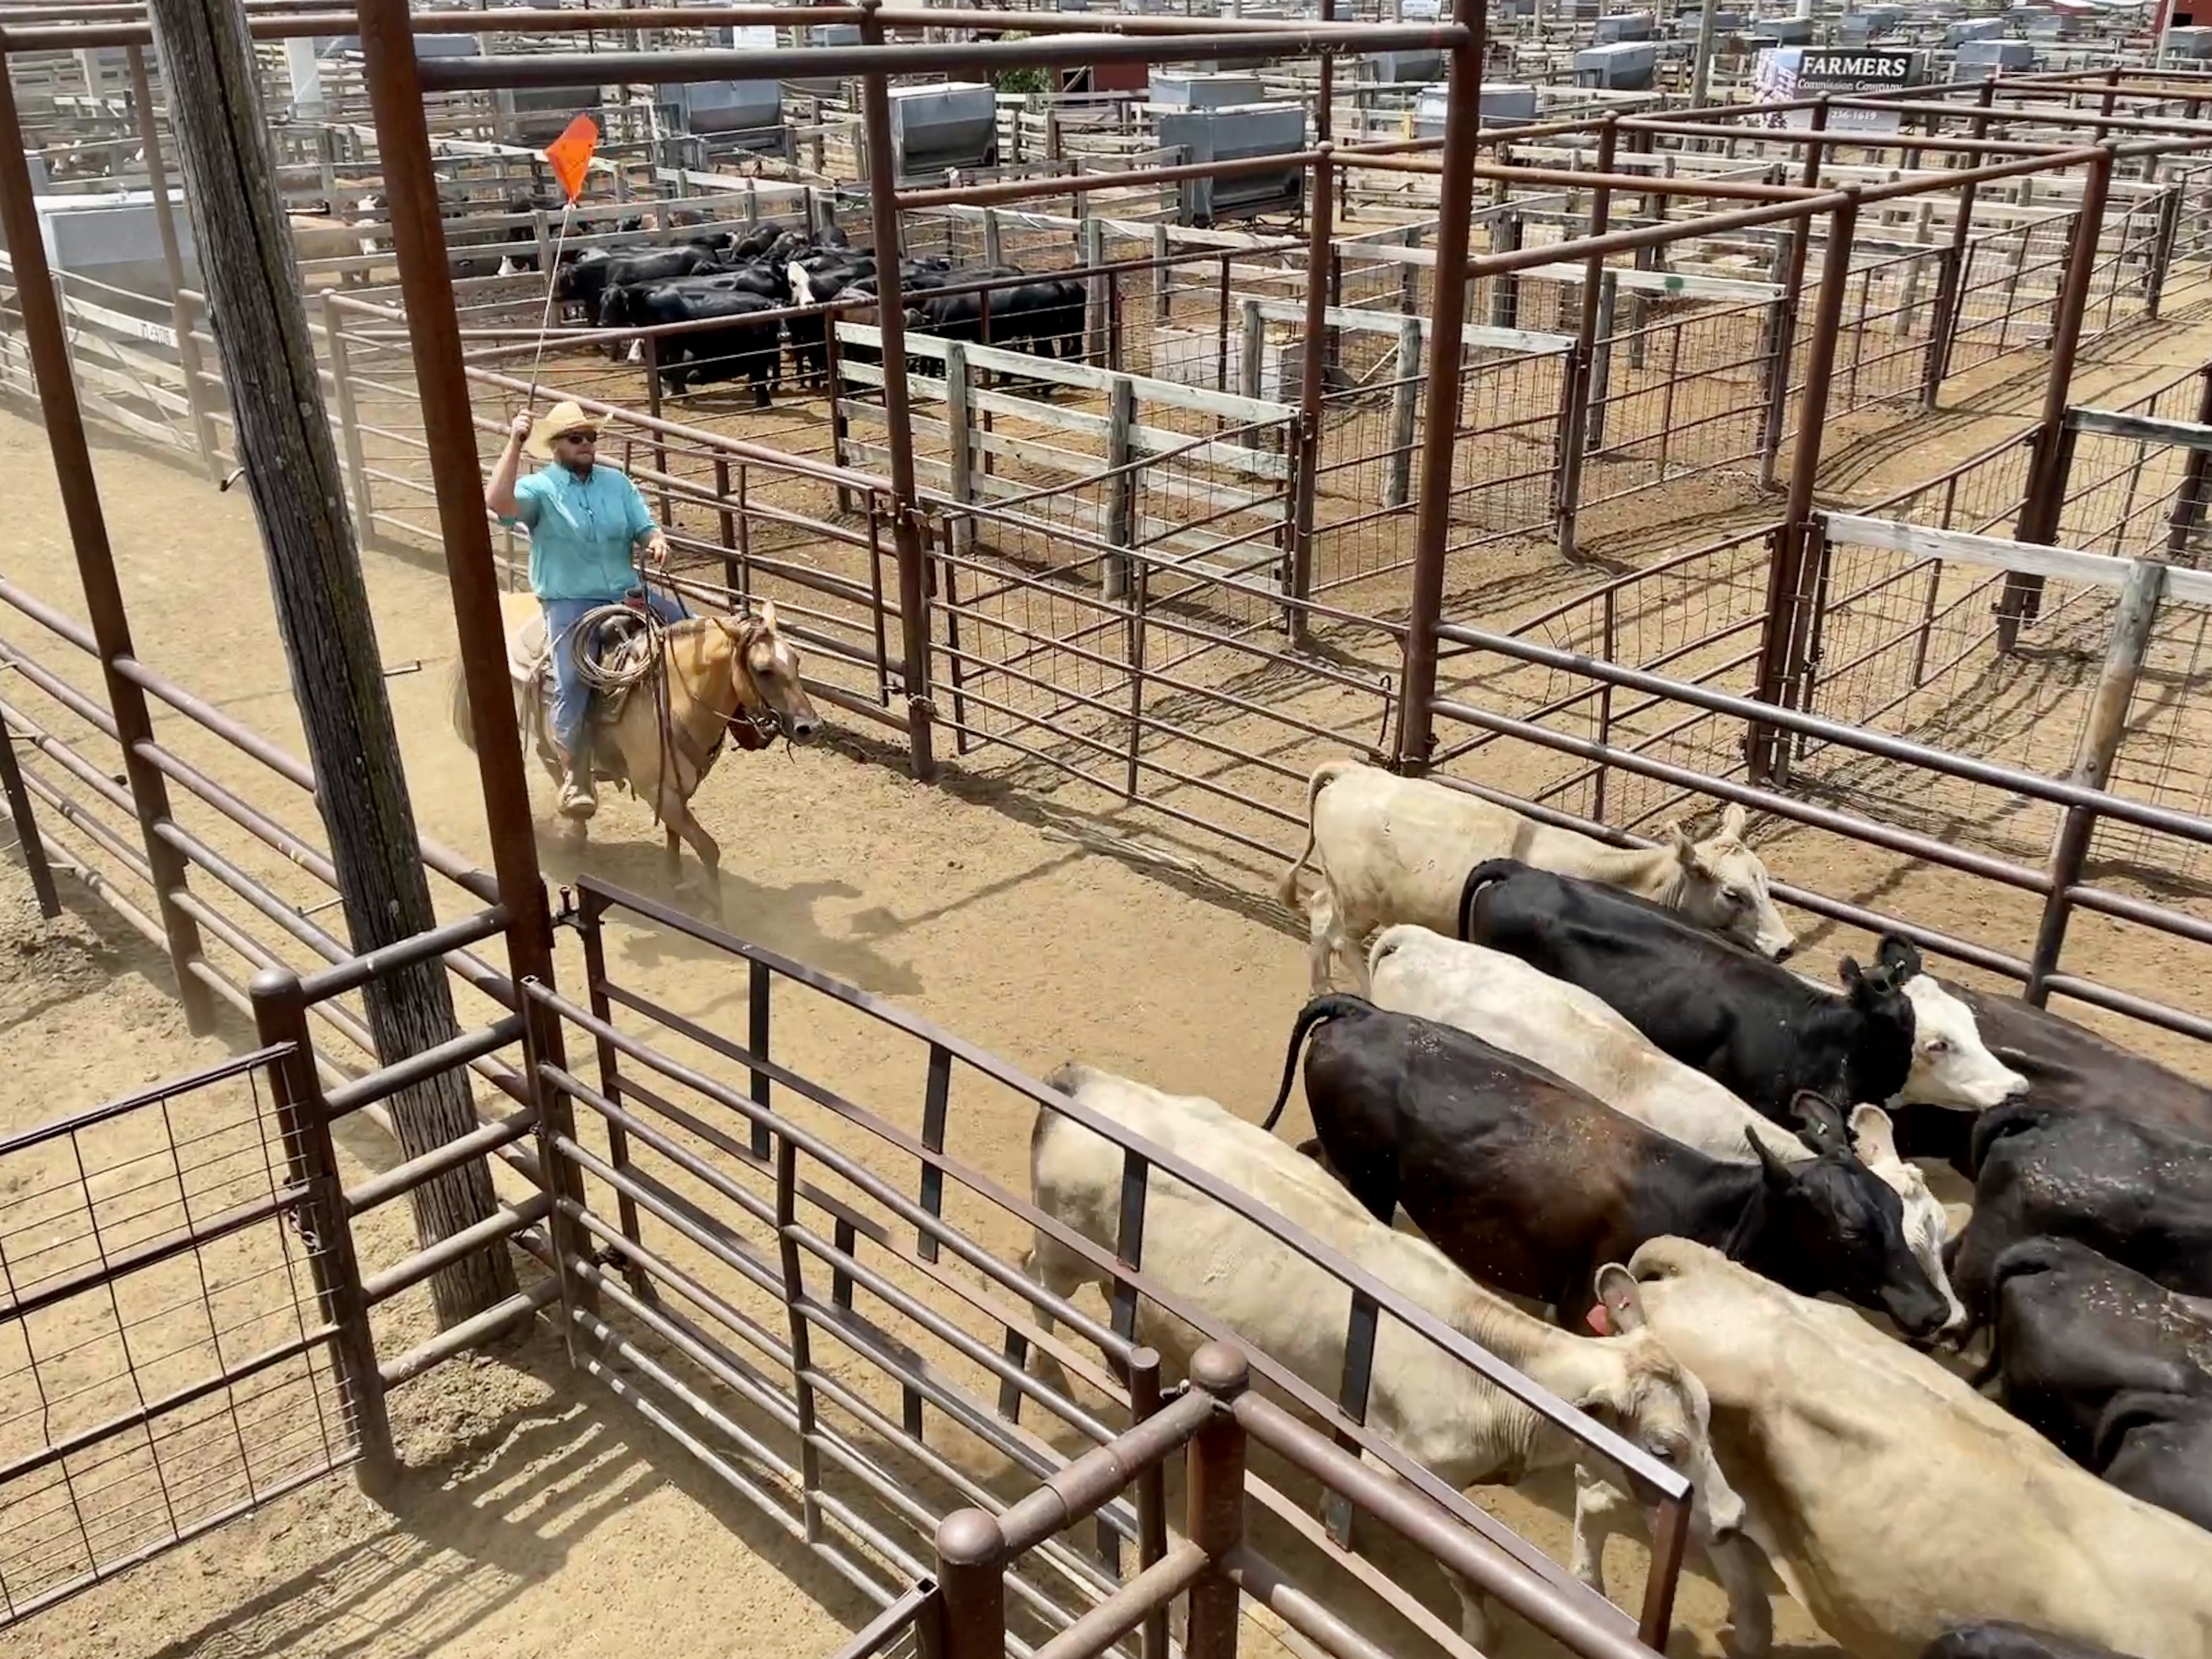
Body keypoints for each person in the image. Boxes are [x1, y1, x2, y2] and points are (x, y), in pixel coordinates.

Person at [486, 399, 679, 820]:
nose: (587, 444)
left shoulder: (617, 483)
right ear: (556, 446)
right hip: (570, 601)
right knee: (573, 680)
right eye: (577, 439)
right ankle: (576, 774)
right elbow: (498, 502)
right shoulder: (540, 490)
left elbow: (644, 527)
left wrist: (655, 541)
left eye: (591, 437)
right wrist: (514, 444)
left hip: (627, 591)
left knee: (694, 634)